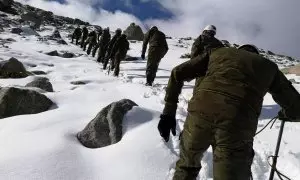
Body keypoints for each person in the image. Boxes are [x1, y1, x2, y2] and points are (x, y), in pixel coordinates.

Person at [158, 43, 300, 180]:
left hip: (199, 115)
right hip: (236, 124)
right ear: (256, 55)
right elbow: (296, 106)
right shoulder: (269, 67)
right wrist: (287, 114)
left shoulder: (217, 52)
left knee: (186, 167)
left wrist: (168, 113)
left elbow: (177, 72)